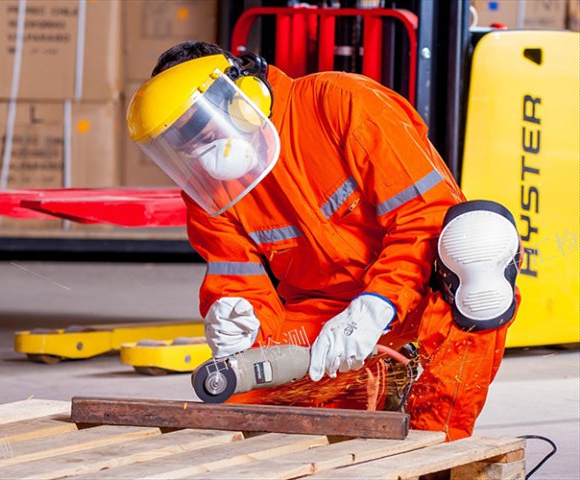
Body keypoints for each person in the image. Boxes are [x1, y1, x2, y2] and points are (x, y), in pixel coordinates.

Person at [127, 41, 521, 440]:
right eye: (179, 141)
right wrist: (235, 317)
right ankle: (383, 377)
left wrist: (377, 304)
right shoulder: (209, 190)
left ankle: (434, 443)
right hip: (326, 317)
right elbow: (237, 277)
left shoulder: (343, 103)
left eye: (197, 127)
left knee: (478, 247)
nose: (195, 149)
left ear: (242, 97)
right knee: (236, 389)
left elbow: (426, 218)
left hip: (418, 290)